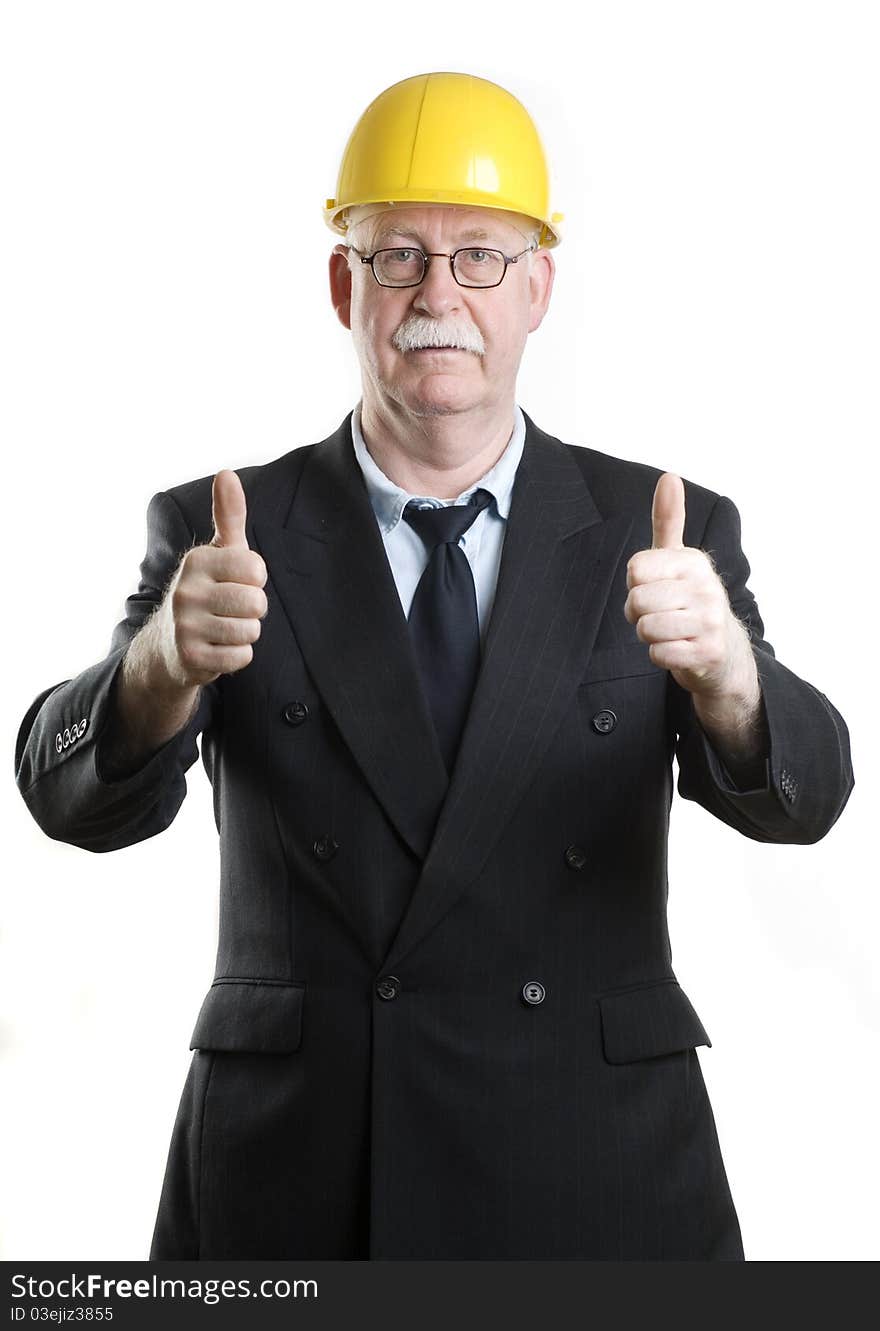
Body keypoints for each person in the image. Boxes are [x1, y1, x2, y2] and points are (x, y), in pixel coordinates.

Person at [14, 71, 854, 1261]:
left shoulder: (662, 525)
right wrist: (159, 664)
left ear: (538, 289)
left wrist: (727, 676)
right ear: (342, 283)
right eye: (397, 254)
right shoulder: (226, 525)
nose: (437, 295)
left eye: (480, 259)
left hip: (595, 1160)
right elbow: (62, 796)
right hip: (302, 1170)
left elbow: (809, 799)